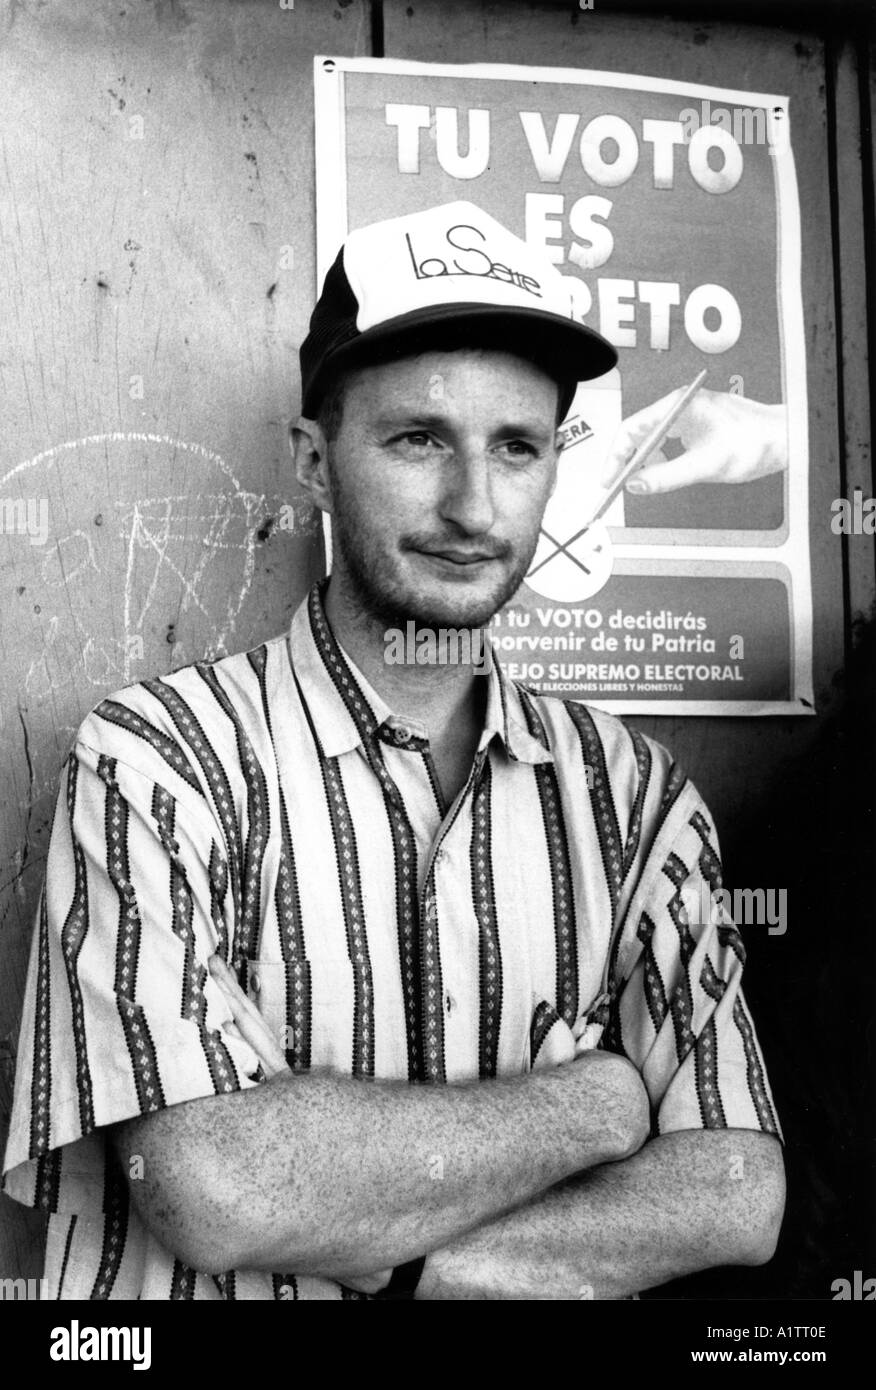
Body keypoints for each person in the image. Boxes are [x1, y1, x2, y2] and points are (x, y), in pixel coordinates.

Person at [2, 200, 784, 1300]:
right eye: (419, 438)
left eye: (517, 447)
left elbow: (735, 1189)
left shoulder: (636, 801)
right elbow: (215, 1186)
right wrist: (594, 1104)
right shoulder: (157, 760)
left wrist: (421, 1271)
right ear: (314, 464)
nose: (473, 504)